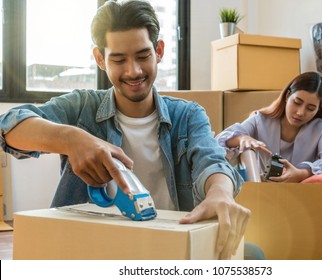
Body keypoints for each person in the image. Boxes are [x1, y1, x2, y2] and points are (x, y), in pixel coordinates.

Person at [0, 0, 253, 260]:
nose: (133, 71)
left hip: (168, 247)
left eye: (143, 56)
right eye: (119, 60)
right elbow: (8, 126)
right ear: (100, 59)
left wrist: (221, 192)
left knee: (252, 255)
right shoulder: (82, 107)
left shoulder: (187, 115)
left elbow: (211, 161)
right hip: (92, 249)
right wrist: (71, 138)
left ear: (159, 51)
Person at [216, 71, 322, 182]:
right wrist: (241, 138)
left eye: (310, 108)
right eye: (297, 103)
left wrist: (303, 173)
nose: (300, 112)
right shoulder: (260, 120)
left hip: (303, 196)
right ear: (287, 96)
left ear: (319, 109)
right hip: (263, 194)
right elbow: (219, 141)